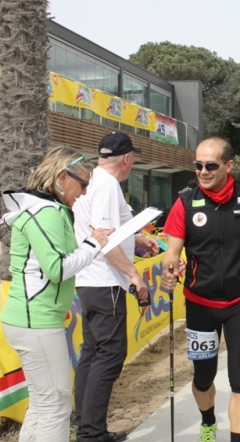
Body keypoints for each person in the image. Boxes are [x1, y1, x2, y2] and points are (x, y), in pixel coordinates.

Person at [160, 137, 240, 442]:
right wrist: (168, 270)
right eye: (198, 165)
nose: (202, 171)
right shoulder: (185, 202)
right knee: (203, 379)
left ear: (229, 165)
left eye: (210, 165)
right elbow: (172, 252)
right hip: (200, 304)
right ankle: (209, 422)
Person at [0, 146, 113, 442]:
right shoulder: (46, 211)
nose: (85, 192)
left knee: (44, 401)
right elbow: (57, 269)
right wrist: (93, 244)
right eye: (83, 183)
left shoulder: (47, 209)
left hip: (33, 319)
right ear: (63, 176)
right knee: (57, 404)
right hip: (36, 320)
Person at [73, 132, 157, 442]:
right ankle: (91, 432)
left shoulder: (91, 179)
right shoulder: (108, 185)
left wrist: (138, 238)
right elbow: (105, 242)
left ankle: (85, 421)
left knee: (92, 353)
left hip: (87, 279)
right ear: (127, 158)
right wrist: (134, 275)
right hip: (104, 279)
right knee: (109, 354)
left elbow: (113, 229)